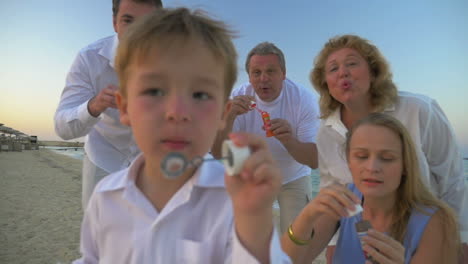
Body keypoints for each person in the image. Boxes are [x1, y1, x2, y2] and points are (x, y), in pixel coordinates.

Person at [73, 8, 291, 264]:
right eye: (154, 90)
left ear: (224, 113)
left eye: (200, 95)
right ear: (124, 108)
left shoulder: (234, 198)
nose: (177, 112)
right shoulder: (105, 196)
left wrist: (254, 222)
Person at [309, 34, 468, 262]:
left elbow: (452, 180)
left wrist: (461, 237)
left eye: (352, 63)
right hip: (360, 234)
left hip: (423, 234)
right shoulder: (325, 131)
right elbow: (331, 189)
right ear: (326, 84)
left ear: (373, 72)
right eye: (332, 69)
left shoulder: (419, 110)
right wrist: (335, 240)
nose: (342, 72)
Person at [282, 113, 461, 264]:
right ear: (349, 162)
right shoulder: (346, 201)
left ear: (405, 165)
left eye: (387, 158)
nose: (372, 167)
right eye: (361, 156)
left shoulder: (435, 222)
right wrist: (306, 217)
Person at [54, 0, 162, 210]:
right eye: (128, 21)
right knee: (99, 235)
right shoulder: (89, 58)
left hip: (153, 165)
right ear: (115, 23)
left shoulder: (177, 61)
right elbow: (62, 128)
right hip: (103, 160)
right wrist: (94, 106)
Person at [212, 42, 320, 233]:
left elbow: (313, 160)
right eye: (256, 72)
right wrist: (229, 117)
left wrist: (289, 141)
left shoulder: (304, 100)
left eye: (271, 71)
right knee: (249, 238)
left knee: (296, 240)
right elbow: (217, 153)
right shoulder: (237, 97)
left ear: (283, 74)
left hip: (293, 178)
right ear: (249, 77)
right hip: (252, 177)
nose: (263, 79)